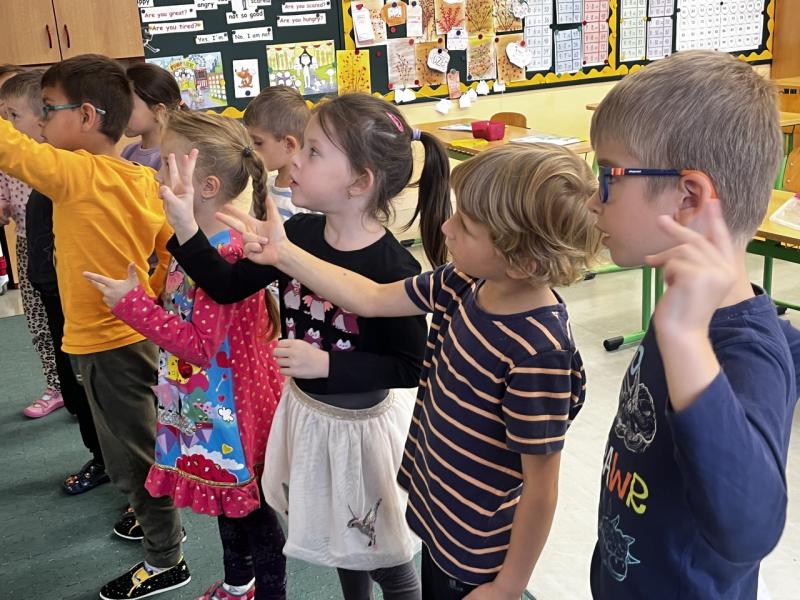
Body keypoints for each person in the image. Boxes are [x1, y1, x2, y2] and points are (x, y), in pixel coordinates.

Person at [180, 140, 602, 599]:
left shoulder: (539, 351)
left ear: (522, 261)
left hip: (477, 549)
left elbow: (541, 486)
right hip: (438, 511)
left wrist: (508, 586)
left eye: (466, 225)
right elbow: (372, 297)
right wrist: (284, 254)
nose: (447, 226)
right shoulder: (463, 281)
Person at [163, 93, 454, 600]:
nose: (294, 159)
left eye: (314, 151)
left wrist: (327, 364)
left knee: (380, 553)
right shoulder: (298, 231)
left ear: (359, 183)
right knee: (338, 542)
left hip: (358, 432)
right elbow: (228, 287)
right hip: (309, 417)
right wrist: (188, 226)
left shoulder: (391, 267)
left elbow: (410, 367)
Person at [586, 49, 800, 598]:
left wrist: (683, 338)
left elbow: (750, 531)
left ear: (688, 196)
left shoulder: (738, 350)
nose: (593, 201)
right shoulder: (704, 315)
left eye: (607, 176)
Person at [0, 54, 188, 599]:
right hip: (126, 334)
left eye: (48, 109)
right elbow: (167, 249)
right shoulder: (138, 176)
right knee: (133, 445)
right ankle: (155, 524)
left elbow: (11, 149)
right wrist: (150, 299)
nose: (38, 122)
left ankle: (166, 558)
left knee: (132, 455)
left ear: (85, 116)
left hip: (109, 342)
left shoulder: (78, 174)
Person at [84, 111, 287, 600]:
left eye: (168, 165)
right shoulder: (202, 245)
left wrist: (132, 307)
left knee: (254, 518)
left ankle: (267, 593)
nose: (156, 174)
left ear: (207, 185)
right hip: (211, 403)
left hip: (230, 410)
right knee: (229, 508)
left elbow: (199, 346)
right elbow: (187, 315)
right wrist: (147, 298)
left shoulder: (225, 252)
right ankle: (239, 586)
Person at [0, 69, 65, 416]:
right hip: (26, 243)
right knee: (39, 320)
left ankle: (76, 381)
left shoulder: (57, 153)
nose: (7, 123)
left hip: (61, 244)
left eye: (13, 115)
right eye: (4, 115)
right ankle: (56, 385)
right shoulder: (10, 157)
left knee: (66, 316)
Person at [241, 85, 311, 221]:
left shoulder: (311, 198)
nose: (250, 149)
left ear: (288, 144)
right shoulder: (264, 187)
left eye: (258, 142)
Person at [122, 62, 184, 170]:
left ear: (159, 111)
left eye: (128, 105)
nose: (120, 112)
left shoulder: (171, 159)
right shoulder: (128, 152)